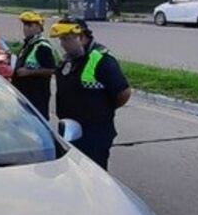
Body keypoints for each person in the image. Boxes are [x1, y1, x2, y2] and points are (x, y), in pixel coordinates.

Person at [49, 19, 131, 170]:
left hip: (94, 133)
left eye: (66, 39)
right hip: (69, 130)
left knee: (94, 175)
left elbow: (123, 93)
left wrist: (105, 109)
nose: (63, 44)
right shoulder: (68, 59)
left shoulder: (102, 60)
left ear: (82, 37)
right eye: (61, 39)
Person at [12, 11, 56, 119]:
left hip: (36, 97)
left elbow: (51, 70)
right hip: (24, 95)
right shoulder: (28, 44)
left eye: (29, 25)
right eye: (25, 25)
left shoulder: (42, 46)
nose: (26, 28)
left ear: (38, 27)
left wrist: (29, 72)